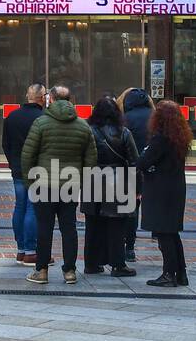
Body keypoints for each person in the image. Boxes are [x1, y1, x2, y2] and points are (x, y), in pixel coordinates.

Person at [21, 84, 97, 286]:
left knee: (44, 227)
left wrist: (30, 182)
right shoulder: (83, 126)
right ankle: (70, 271)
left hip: (43, 184)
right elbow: (91, 159)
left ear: (51, 99)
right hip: (70, 185)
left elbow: (28, 156)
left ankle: (42, 270)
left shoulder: (40, 123)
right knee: (69, 228)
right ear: (70, 100)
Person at [82, 96, 139, 277]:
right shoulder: (124, 132)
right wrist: (138, 189)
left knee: (93, 224)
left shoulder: (88, 131)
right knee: (117, 224)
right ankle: (118, 264)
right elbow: (134, 162)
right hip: (119, 181)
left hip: (93, 179)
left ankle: (91, 263)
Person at [138, 101, 191, 287]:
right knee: (172, 232)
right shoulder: (180, 137)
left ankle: (169, 273)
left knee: (164, 233)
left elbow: (143, 162)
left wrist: (147, 163)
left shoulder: (160, 138)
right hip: (175, 188)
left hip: (160, 190)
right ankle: (181, 272)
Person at [3, 83, 45, 264]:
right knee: (32, 208)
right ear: (41, 97)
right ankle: (30, 250)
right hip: (36, 169)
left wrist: (13, 163)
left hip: (18, 169)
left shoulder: (12, 117)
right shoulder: (43, 118)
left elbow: (6, 144)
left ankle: (21, 249)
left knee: (19, 206)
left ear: (28, 96)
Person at [117, 88, 153, 263]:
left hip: (131, 168)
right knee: (155, 204)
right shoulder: (156, 116)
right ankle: (160, 237)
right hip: (154, 167)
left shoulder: (125, 119)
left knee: (131, 208)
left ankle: (129, 247)